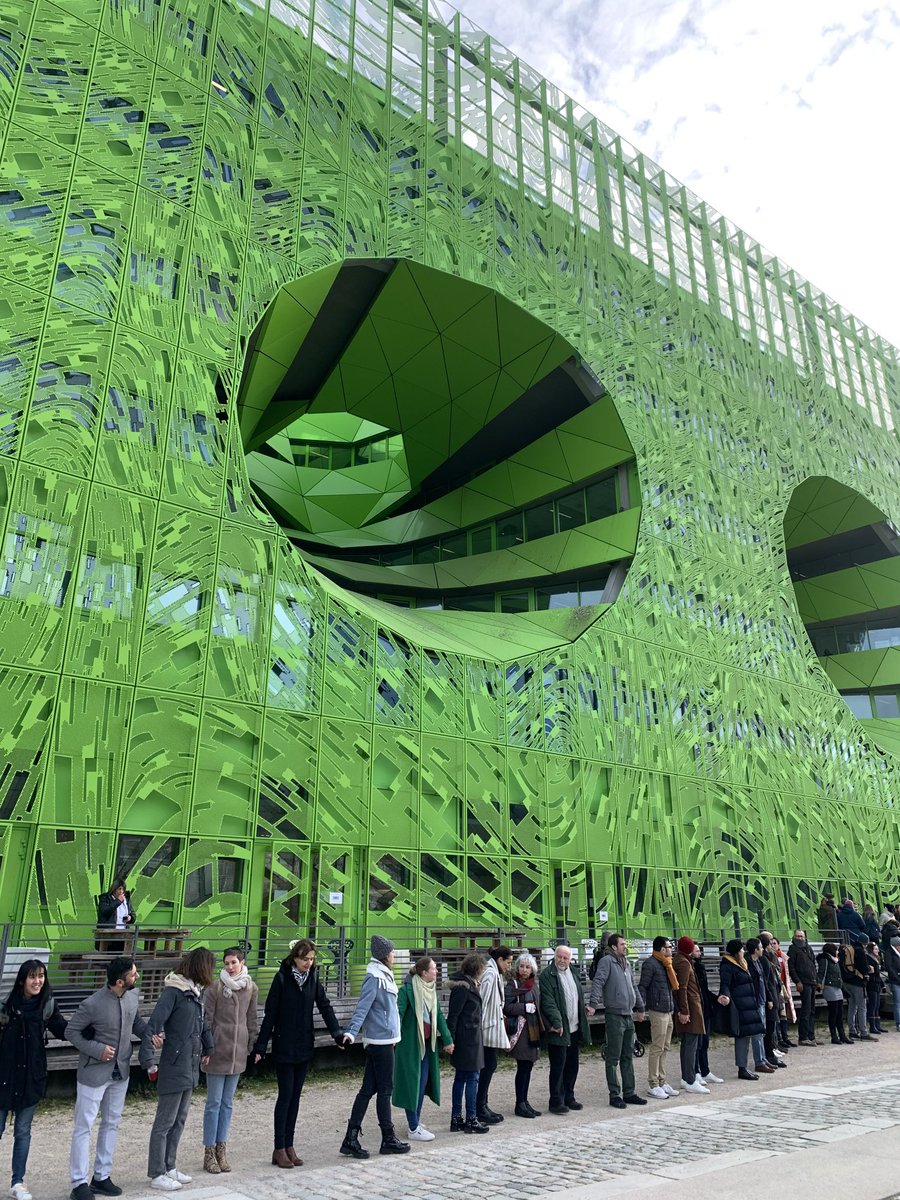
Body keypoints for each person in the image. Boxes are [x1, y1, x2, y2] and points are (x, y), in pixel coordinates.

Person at [67, 956, 153, 1200]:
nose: (137, 977)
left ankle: (101, 1176)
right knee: (84, 1126)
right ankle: (78, 1183)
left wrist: (151, 1035)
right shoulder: (91, 1004)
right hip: (93, 1073)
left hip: (121, 1071)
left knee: (112, 1123)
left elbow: (134, 1022)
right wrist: (97, 1049)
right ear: (119, 981)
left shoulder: (133, 996)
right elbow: (71, 1032)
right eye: (133, 974)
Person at [256, 939, 342, 1168]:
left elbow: (324, 1005)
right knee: (285, 1097)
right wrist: (261, 1046)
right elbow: (270, 1014)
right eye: (305, 959)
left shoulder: (313, 978)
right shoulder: (282, 978)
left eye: (312, 959)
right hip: (285, 1045)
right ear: (295, 958)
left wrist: (336, 1033)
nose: (309, 963)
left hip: (304, 1044)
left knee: (295, 1097)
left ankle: (290, 1145)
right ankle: (279, 1147)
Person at [140, 948, 215, 1191]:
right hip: (174, 1064)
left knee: (180, 1120)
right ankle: (156, 1172)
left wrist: (208, 1048)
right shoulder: (174, 992)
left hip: (190, 1064)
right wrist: (148, 1060)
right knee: (164, 1122)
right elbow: (154, 1025)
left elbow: (202, 1025)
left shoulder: (196, 993)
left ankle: (170, 1165)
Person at [0, 960, 68, 1200]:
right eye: (32, 977)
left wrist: (93, 1031)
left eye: (41, 976)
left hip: (31, 1078)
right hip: (5, 1077)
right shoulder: (6, 1008)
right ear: (22, 980)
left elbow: (64, 1030)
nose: (37, 981)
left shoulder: (47, 1006)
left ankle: (17, 1182)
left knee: (23, 1131)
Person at [340, 935, 408, 1158]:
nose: (394, 955)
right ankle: (388, 1138)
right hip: (380, 1042)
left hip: (387, 1039)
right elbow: (363, 1006)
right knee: (385, 1090)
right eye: (391, 951)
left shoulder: (384, 974)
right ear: (384, 955)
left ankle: (350, 1139)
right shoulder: (374, 977)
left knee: (368, 1089)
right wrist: (351, 1032)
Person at [201, 946, 259, 1174]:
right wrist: (208, 1046)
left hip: (238, 1050)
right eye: (226, 963)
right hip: (217, 1049)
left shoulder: (250, 987)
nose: (230, 967)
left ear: (242, 963)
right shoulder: (215, 988)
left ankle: (221, 1149)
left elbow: (251, 1018)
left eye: (234, 962)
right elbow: (206, 1020)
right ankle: (208, 1151)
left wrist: (252, 1044)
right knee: (213, 1103)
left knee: (227, 1103)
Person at [393, 957, 453, 1140]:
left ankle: (415, 1121)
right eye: (434, 969)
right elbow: (398, 1015)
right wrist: (394, 1039)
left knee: (422, 1082)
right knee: (413, 1086)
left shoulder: (430, 989)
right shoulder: (407, 990)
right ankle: (413, 1128)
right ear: (424, 973)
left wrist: (448, 1039)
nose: (436, 971)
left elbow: (439, 1016)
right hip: (411, 1046)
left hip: (427, 1045)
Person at [587, 935, 646, 1109]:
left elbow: (633, 986)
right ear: (613, 947)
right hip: (614, 1015)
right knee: (613, 1057)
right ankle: (614, 1094)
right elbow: (598, 981)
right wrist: (592, 1004)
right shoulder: (607, 962)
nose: (624, 947)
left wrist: (641, 1007)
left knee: (628, 1055)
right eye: (622, 944)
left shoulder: (625, 962)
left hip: (628, 1015)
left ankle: (629, 1092)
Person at [540, 945, 592, 1114]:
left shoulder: (574, 973)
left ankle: (569, 1096)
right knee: (558, 1066)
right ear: (555, 957)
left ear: (570, 959)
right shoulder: (548, 975)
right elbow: (548, 1002)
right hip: (559, 1029)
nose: (562, 960)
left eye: (566, 958)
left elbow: (577, 995)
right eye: (560, 957)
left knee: (572, 1065)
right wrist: (557, 1022)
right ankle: (556, 1100)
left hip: (575, 1026)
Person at [446, 953, 489, 1134]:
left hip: (469, 1037)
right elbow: (453, 1016)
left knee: (462, 1078)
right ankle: (470, 1118)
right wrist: (451, 1039)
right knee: (471, 1078)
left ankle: (457, 1117)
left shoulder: (467, 984)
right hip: (467, 1039)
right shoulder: (463, 988)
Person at [716, 939, 766, 1080]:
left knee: (747, 1035)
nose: (743, 951)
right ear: (737, 951)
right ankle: (742, 1068)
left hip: (748, 1005)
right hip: (739, 1006)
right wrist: (725, 995)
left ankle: (743, 1067)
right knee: (742, 1037)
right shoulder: (728, 966)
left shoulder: (742, 964)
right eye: (741, 949)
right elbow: (725, 984)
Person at [637, 936, 678, 1100]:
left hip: (668, 1010)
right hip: (658, 1010)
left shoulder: (667, 963)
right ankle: (653, 1083)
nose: (671, 949)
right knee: (657, 1047)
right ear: (661, 949)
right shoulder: (651, 964)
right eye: (668, 947)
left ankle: (662, 1081)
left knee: (665, 1047)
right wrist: (641, 1008)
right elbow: (643, 986)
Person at [503, 953, 543, 1118]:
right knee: (523, 1067)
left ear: (532, 969)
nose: (524, 969)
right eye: (521, 966)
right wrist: (524, 1007)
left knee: (528, 1067)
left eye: (527, 967)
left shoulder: (534, 985)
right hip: (520, 1032)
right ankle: (520, 1103)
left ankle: (525, 1102)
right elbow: (506, 1006)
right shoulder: (513, 985)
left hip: (533, 1031)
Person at [476, 946, 512, 1124]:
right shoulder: (490, 974)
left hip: (490, 1025)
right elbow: (481, 1001)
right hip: (486, 1027)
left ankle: (483, 1104)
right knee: (488, 1066)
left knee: (489, 1065)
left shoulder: (494, 973)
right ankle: (480, 1106)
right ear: (500, 960)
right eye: (508, 962)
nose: (509, 966)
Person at [672, 937, 707, 1093]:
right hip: (691, 1008)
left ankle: (688, 1078)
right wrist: (684, 1010)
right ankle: (690, 1079)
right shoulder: (684, 963)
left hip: (691, 1006)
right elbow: (683, 988)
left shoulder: (683, 960)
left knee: (688, 1044)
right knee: (690, 1045)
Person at [689, 942, 723, 1085]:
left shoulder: (700, 967)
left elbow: (704, 991)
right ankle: (696, 1071)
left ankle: (705, 1070)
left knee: (705, 1043)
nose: (700, 953)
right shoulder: (691, 968)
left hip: (706, 1008)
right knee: (698, 1043)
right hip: (698, 1010)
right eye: (697, 951)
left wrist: (716, 999)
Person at [745, 939, 776, 1074]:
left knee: (762, 1033)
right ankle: (759, 1062)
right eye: (760, 948)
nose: (763, 949)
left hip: (762, 1001)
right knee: (757, 1034)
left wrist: (769, 998)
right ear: (755, 950)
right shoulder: (749, 964)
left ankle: (763, 1058)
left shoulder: (759, 962)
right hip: (755, 1002)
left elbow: (764, 982)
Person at [787, 929, 819, 1047]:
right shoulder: (793, 949)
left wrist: (817, 980)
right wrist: (797, 981)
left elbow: (813, 965)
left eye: (801, 936)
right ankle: (803, 1037)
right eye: (798, 936)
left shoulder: (808, 948)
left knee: (811, 1010)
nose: (800, 938)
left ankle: (811, 1036)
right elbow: (791, 967)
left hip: (812, 981)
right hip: (803, 982)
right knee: (805, 1010)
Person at [757, 935, 785, 1069]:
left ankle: (770, 1053)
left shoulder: (768, 957)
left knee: (772, 1026)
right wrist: (769, 998)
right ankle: (769, 1055)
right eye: (768, 944)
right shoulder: (763, 960)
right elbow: (766, 981)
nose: (771, 946)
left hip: (773, 994)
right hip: (770, 997)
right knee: (769, 1028)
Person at [817, 943, 850, 1044]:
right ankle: (834, 1036)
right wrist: (819, 983)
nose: (837, 952)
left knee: (839, 1013)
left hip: (837, 987)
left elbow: (839, 976)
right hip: (829, 987)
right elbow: (821, 973)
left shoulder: (835, 961)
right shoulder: (825, 960)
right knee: (833, 1012)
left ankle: (842, 1034)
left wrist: (844, 989)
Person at [839, 938, 870, 1041]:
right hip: (857, 981)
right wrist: (868, 970)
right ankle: (864, 1032)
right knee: (862, 1007)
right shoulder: (860, 951)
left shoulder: (848, 949)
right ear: (865, 944)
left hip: (847, 981)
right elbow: (864, 967)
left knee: (852, 1007)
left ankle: (852, 1031)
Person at [95, 881, 135, 952]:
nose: (121, 891)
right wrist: (118, 901)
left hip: (123, 934)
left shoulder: (127, 900)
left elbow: (133, 914)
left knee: (121, 955)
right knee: (108, 955)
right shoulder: (105, 898)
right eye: (119, 889)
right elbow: (105, 912)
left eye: (123, 889)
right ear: (114, 889)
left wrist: (130, 918)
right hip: (109, 934)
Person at [771, 936, 796, 1049]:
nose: (773, 945)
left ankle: (785, 1037)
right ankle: (779, 1038)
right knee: (778, 1015)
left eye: (775, 943)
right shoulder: (771, 958)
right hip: (776, 988)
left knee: (784, 1015)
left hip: (784, 988)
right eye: (771, 943)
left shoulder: (783, 956)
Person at [864, 939, 884, 1035]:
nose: (877, 951)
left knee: (877, 1005)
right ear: (871, 950)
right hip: (872, 983)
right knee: (873, 1005)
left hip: (877, 983)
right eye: (876, 949)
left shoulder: (877, 958)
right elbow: (871, 972)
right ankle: (872, 1026)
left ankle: (877, 1025)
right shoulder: (869, 958)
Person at [886, 935, 900, 1032]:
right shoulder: (889, 953)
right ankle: (898, 1022)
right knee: (897, 1002)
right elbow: (890, 968)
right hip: (895, 981)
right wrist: (897, 978)